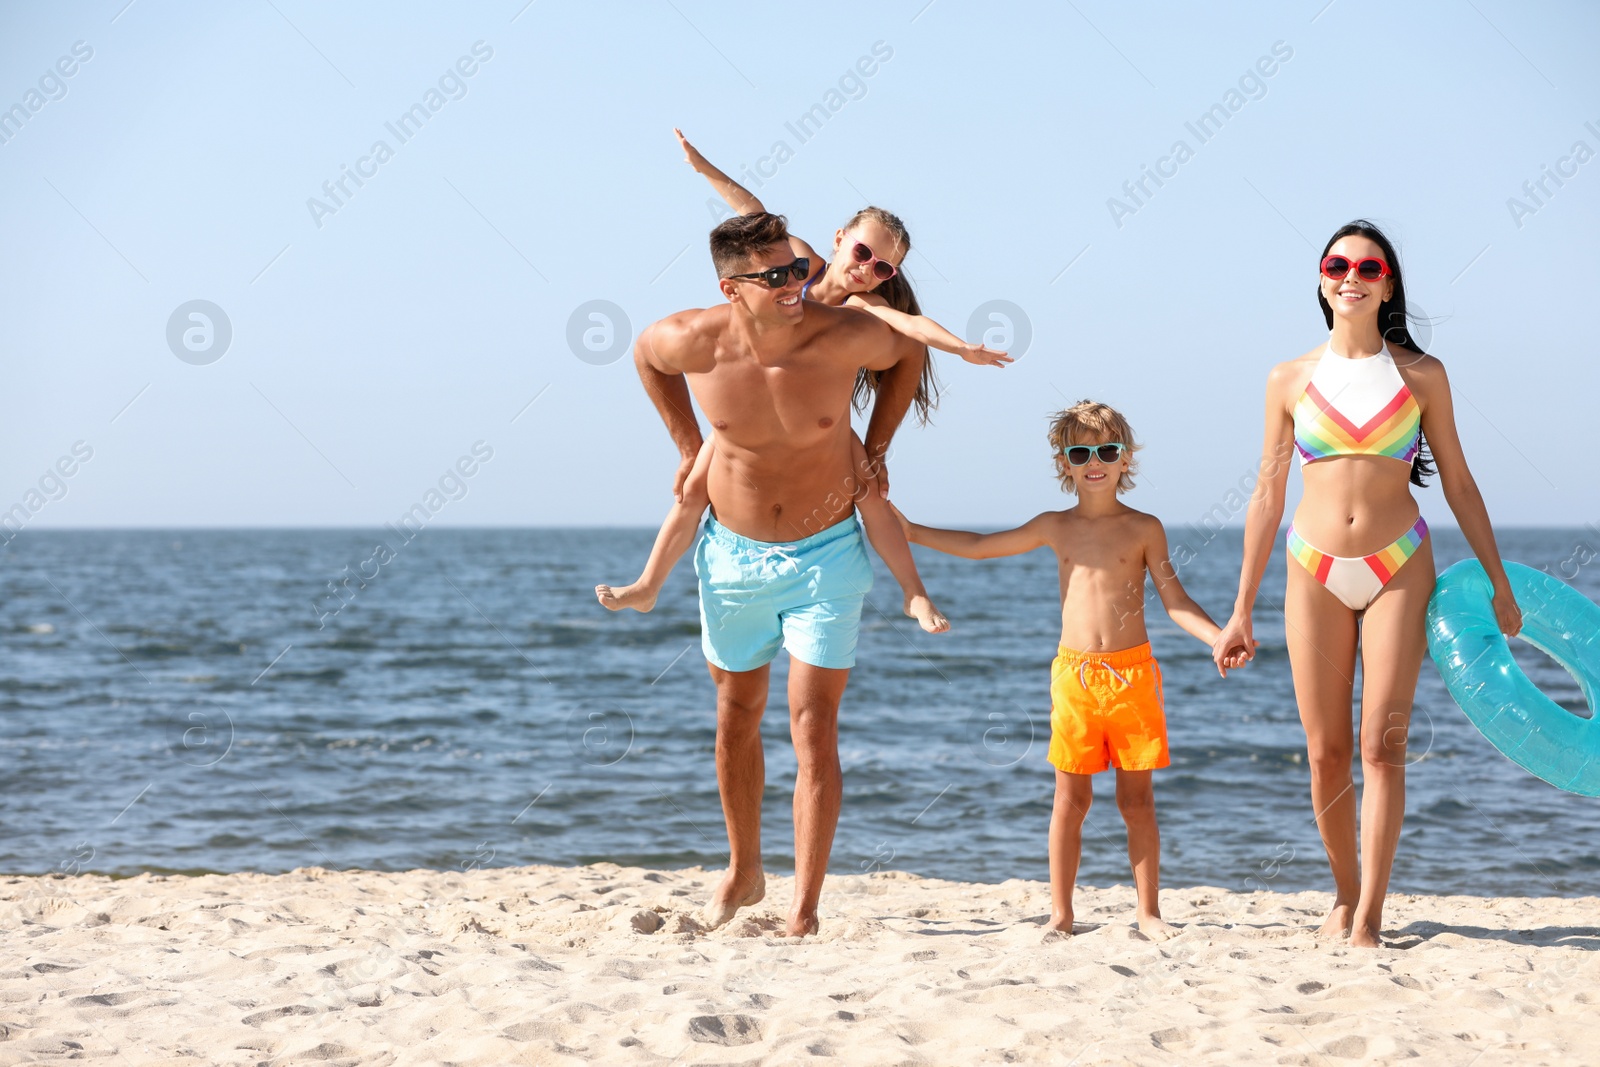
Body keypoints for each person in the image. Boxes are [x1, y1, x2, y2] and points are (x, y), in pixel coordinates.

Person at [1211, 220, 1522, 948]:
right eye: (1337, 263)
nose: (1351, 274)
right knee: (1325, 752)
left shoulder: (1421, 375)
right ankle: (1344, 893)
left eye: (1368, 265)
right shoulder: (1288, 378)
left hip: (1398, 566)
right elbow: (1265, 495)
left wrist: (1501, 583)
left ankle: (1371, 918)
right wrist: (1238, 610)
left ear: (1387, 285)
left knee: (1381, 744)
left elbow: (1462, 484)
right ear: (1321, 279)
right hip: (1311, 567)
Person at [629, 210, 938, 937]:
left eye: (796, 270)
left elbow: (911, 357)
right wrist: (686, 443)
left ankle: (804, 907)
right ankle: (744, 868)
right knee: (735, 715)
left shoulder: (845, 335)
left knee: (813, 726)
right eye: (775, 276)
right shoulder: (693, 340)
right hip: (731, 556)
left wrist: (881, 442)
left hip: (827, 554)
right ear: (732, 287)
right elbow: (645, 355)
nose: (795, 284)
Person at [894, 400, 1236, 939]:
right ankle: (1061, 913)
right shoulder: (1055, 526)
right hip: (1075, 678)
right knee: (1070, 800)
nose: (1094, 460)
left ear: (1125, 459)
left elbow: (1174, 601)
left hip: (1132, 677)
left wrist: (1219, 637)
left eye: (1106, 450)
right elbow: (982, 547)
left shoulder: (1145, 528)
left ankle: (1148, 913)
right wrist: (911, 531)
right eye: (1081, 452)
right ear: (1065, 463)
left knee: (1136, 800)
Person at [596, 431, 949, 631]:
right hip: (737, 540)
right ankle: (647, 587)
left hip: (823, 551)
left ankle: (913, 593)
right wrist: (689, 448)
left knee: (870, 495)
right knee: (690, 494)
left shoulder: (828, 323)